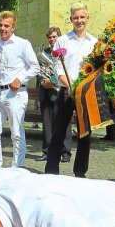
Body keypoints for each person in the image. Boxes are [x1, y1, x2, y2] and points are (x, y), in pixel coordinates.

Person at [0, 11, 39, 169]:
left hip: (15, 94)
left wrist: (20, 79)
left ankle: (16, 168)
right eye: (0, 25)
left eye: (6, 26)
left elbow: (35, 67)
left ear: (13, 27)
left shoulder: (22, 44)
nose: (3, 28)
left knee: (16, 133)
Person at [45, 3, 98, 178]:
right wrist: (69, 85)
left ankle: (80, 172)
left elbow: (97, 69)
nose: (79, 21)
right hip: (67, 91)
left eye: (82, 17)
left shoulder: (95, 42)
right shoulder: (62, 40)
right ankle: (51, 171)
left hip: (85, 94)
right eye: (76, 18)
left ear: (87, 18)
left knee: (85, 134)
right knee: (59, 132)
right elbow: (57, 67)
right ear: (71, 19)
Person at [36, 27, 70, 162]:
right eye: (50, 37)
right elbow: (37, 69)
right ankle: (47, 151)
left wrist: (53, 81)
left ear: (59, 38)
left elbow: (65, 70)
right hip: (45, 92)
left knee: (63, 123)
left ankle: (65, 152)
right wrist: (43, 81)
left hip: (60, 92)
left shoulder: (65, 53)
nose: (52, 39)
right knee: (47, 123)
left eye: (54, 37)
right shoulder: (43, 53)